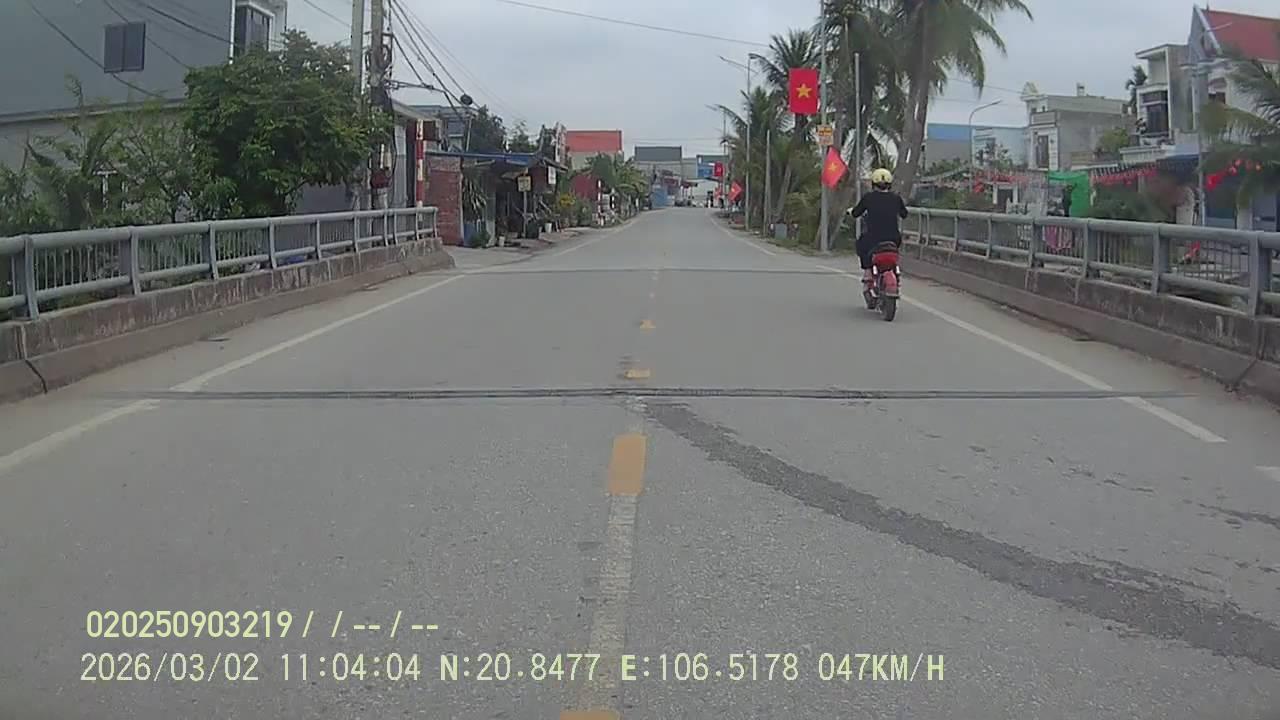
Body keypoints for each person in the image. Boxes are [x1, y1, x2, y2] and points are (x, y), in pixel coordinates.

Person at [851, 168, 908, 287]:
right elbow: (904, 214)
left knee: (861, 244)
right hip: (893, 238)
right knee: (895, 247)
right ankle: (894, 271)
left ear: (873, 183)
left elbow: (856, 213)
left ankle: (867, 271)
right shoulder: (896, 198)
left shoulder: (868, 197)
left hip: (873, 238)